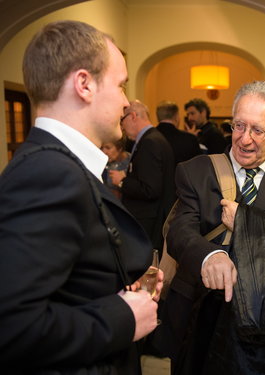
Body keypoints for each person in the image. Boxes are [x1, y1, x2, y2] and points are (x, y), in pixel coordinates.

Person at [0, 20, 163, 374]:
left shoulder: (63, 166)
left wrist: (123, 280)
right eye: (120, 86)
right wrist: (123, 316)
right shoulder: (48, 174)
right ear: (84, 84)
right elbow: (12, 327)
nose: (125, 102)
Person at [162, 81, 265, 374]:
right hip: (199, 313)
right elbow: (181, 231)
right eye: (238, 126)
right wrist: (210, 256)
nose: (244, 140)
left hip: (260, 323)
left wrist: (244, 221)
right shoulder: (195, 170)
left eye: (257, 130)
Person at [110, 100, 176, 250]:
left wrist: (122, 181)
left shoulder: (150, 142)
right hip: (152, 218)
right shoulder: (153, 138)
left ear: (133, 116)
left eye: (122, 120)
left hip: (148, 221)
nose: (122, 126)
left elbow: (150, 189)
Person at [155, 100, 202, 166]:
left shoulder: (148, 137)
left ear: (158, 118)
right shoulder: (189, 139)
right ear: (176, 117)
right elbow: (199, 166)